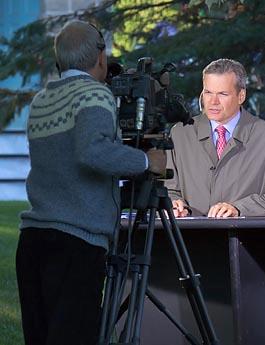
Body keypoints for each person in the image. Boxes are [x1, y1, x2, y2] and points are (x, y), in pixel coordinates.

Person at [16, 20, 166, 345]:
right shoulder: (95, 94)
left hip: (33, 239)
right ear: (100, 57)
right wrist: (145, 161)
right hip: (76, 241)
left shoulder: (42, 100)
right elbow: (92, 151)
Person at [165, 58, 265, 217]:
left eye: (223, 94)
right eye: (208, 92)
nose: (213, 101)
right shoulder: (181, 133)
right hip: (187, 238)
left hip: (247, 238)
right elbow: (168, 188)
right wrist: (175, 203)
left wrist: (240, 208)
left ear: (241, 96)